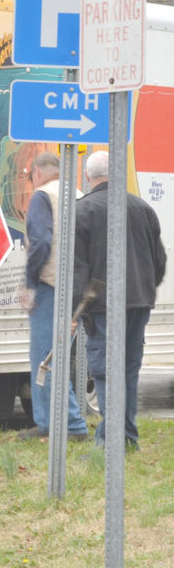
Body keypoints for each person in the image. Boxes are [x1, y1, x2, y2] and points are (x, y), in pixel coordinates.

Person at [73, 151, 166, 449]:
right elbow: (159, 261)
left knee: (104, 371)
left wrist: (74, 310)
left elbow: (77, 269)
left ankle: (112, 443)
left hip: (100, 306)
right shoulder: (142, 208)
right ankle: (125, 439)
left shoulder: (82, 210)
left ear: (88, 177)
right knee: (127, 371)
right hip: (138, 303)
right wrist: (144, 289)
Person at [19, 151, 89, 440]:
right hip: (77, 287)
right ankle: (50, 423)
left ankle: (69, 425)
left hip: (50, 286)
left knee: (45, 357)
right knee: (57, 354)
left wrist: (29, 284)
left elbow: (41, 243)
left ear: (36, 173)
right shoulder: (78, 194)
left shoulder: (41, 197)